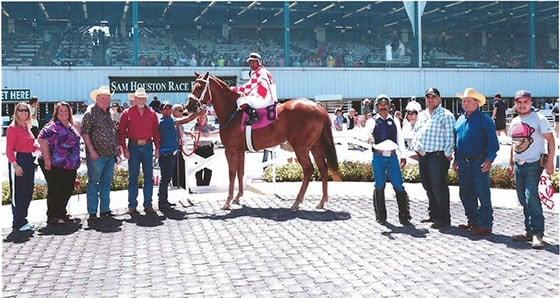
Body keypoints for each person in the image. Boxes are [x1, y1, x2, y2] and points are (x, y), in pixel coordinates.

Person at [508, 90, 556, 249]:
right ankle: (528, 231)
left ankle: (537, 233)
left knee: (531, 198)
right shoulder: (514, 121)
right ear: (515, 104)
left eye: (525, 102)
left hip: (534, 165)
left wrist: (550, 162)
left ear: (531, 103)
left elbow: (551, 140)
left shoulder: (539, 118)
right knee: (523, 199)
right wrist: (511, 163)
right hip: (519, 165)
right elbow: (514, 144)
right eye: (519, 103)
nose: (522, 105)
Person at [453, 88, 499, 236]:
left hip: (479, 162)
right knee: (465, 193)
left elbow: (493, 143)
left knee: (482, 193)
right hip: (463, 162)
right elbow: (457, 142)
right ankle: (472, 221)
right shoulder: (460, 119)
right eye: (464, 101)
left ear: (477, 103)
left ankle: (486, 224)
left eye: (468, 100)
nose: (465, 103)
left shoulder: (485, 120)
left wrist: (489, 160)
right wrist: (455, 159)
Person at [411, 87, 455, 229]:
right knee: (427, 185)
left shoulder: (445, 115)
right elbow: (416, 132)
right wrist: (415, 148)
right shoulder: (423, 115)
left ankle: (443, 218)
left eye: (433, 96)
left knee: (438, 186)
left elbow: (450, 137)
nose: (431, 99)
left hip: (438, 156)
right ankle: (433, 214)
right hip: (423, 156)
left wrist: (448, 153)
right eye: (428, 97)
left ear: (439, 99)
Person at [366, 94, 411, 225]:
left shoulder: (395, 121)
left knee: (398, 184)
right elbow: (365, 134)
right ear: (377, 106)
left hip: (392, 156)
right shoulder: (372, 121)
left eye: (386, 105)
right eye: (381, 105)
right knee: (379, 185)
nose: (383, 107)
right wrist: (368, 137)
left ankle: (404, 216)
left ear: (389, 106)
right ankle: (381, 216)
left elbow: (400, 139)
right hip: (378, 156)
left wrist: (403, 155)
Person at [82, 86, 121, 223]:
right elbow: (85, 133)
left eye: (108, 98)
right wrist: (91, 150)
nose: (106, 100)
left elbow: (114, 131)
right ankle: (92, 212)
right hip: (96, 155)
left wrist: (117, 147)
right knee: (93, 183)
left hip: (110, 154)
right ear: (97, 99)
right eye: (103, 98)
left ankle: (105, 209)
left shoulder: (110, 112)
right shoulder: (90, 112)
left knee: (106, 183)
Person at [38, 102, 81, 225]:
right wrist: (47, 159)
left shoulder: (72, 125)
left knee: (67, 188)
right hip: (55, 164)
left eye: (66, 111)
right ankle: (53, 216)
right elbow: (42, 139)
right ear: (56, 113)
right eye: (61, 111)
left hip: (70, 164)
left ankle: (62, 212)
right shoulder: (52, 126)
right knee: (55, 189)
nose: (64, 113)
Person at [119, 87, 161, 216]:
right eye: (139, 98)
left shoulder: (152, 113)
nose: (141, 100)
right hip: (133, 146)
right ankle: (132, 205)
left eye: (143, 98)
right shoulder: (127, 113)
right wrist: (124, 149)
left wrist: (157, 148)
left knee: (149, 177)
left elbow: (156, 132)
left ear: (146, 99)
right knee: (133, 177)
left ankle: (148, 205)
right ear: (134, 99)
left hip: (148, 146)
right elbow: (121, 132)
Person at [158, 101, 206, 209]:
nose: (168, 110)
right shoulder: (165, 121)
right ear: (161, 111)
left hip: (171, 152)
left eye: (169, 107)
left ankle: (163, 200)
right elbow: (186, 120)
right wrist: (199, 113)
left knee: (167, 177)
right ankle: (162, 202)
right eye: (165, 108)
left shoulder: (170, 120)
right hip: (166, 153)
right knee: (165, 178)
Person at [6, 102, 38, 231]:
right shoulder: (12, 128)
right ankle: (18, 222)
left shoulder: (26, 126)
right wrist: (16, 165)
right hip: (19, 160)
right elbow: (9, 150)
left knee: (27, 191)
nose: (23, 112)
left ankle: (23, 219)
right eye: (20, 110)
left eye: (26, 110)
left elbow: (31, 145)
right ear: (16, 112)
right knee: (18, 193)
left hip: (29, 159)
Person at [231, 52, 278, 125]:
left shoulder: (258, 72)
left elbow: (248, 87)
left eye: (253, 62)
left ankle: (254, 116)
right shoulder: (265, 71)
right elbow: (258, 88)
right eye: (250, 63)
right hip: (270, 98)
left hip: (265, 100)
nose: (251, 65)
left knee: (240, 101)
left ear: (259, 62)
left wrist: (235, 89)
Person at [191, 112, 219, 186]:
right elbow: (192, 132)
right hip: (198, 149)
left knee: (208, 168)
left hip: (208, 148)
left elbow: (219, 130)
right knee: (198, 168)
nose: (201, 119)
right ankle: (199, 185)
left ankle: (206, 185)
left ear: (206, 119)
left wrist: (210, 134)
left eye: (203, 117)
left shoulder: (210, 126)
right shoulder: (195, 126)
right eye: (200, 118)